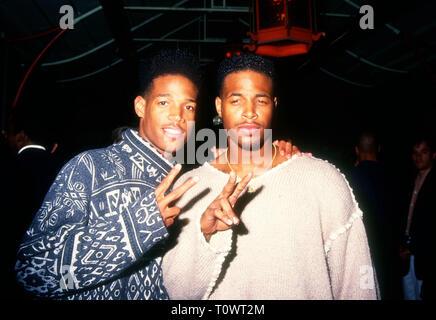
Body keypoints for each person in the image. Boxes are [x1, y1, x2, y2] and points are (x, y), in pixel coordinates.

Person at [15, 48, 298, 300]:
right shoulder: (91, 167)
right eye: (164, 102)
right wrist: (138, 227)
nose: (177, 116)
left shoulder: (188, 182)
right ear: (141, 106)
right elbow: (32, 273)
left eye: (188, 107)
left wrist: (273, 156)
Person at [161, 53, 379, 300]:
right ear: (219, 107)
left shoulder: (322, 180)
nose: (250, 112)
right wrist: (205, 233)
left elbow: (358, 285)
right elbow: (176, 294)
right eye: (236, 100)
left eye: (260, 101)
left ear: (274, 105)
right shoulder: (190, 189)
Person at [348, 130, 401, 299]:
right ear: (378, 148)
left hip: (364, 258)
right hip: (391, 255)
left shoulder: (349, 178)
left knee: (367, 294)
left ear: (357, 150)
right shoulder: (394, 177)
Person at [399, 135, 436, 300]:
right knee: (409, 295)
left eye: (424, 152)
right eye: (415, 152)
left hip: (426, 255)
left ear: (433, 155)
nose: (418, 157)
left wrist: (414, 247)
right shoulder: (409, 180)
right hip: (407, 255)